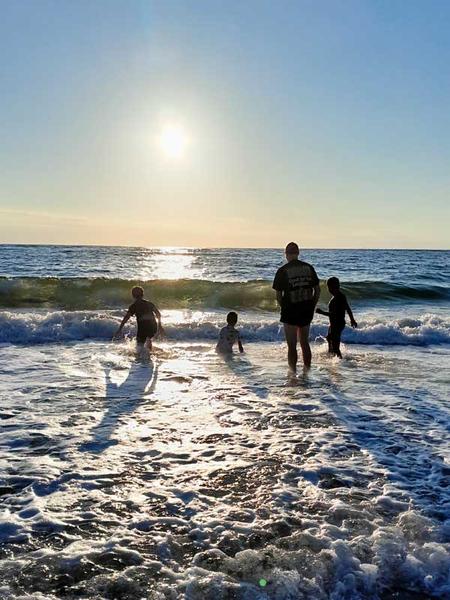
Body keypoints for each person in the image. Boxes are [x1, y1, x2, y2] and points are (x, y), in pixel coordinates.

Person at [272, 242, 321, 371]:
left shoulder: (282, 270)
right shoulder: (309, 268)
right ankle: (307, 371)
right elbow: (317, 290)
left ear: (286, 254)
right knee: (305, 343)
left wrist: (284, 307)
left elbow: (278, 295)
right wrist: (312, 305)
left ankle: (293, 373)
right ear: (298, 253)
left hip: (290, 310)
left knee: (292, 346)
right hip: (306, 309)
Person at [316, 276, 357, 358]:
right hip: (334, 323)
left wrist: (321, 312)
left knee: (335, 345)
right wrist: (352, 320)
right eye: (328, 287)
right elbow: (348, 309)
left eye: (330, 287)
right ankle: (331, 357)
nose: (329, 289)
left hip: (338, 324)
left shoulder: (339, 298)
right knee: (329, 338)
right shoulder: (339, 296)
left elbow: (334, 314)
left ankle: (339, 362)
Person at [113, 286, 163, 351]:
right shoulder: (149, 303)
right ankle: (149, 352)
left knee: (139, 344)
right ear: (142, 294)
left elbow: (126, 318)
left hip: (142, 327)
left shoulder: (134, 306)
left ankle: (141, 357)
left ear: (133, 295)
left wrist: (120, 329)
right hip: (153, 326)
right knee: (148, 338)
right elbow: (158, 314)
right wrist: (160, 325)